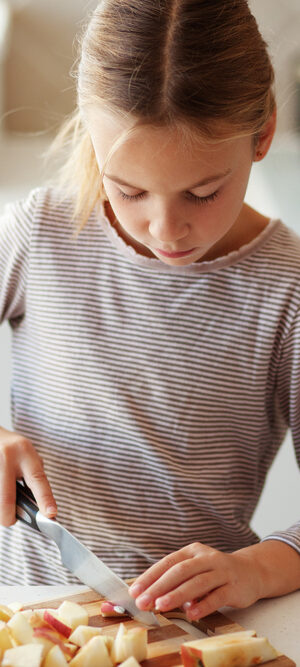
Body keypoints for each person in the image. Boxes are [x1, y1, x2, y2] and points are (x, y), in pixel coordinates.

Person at [0, 0, 300, 621]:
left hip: (189, 634)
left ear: (263, 133)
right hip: (24, 614)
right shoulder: (42, 231)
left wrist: (253, 569)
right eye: (129, 189)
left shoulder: (288, 290)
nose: (166, 228)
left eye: (203, 191)